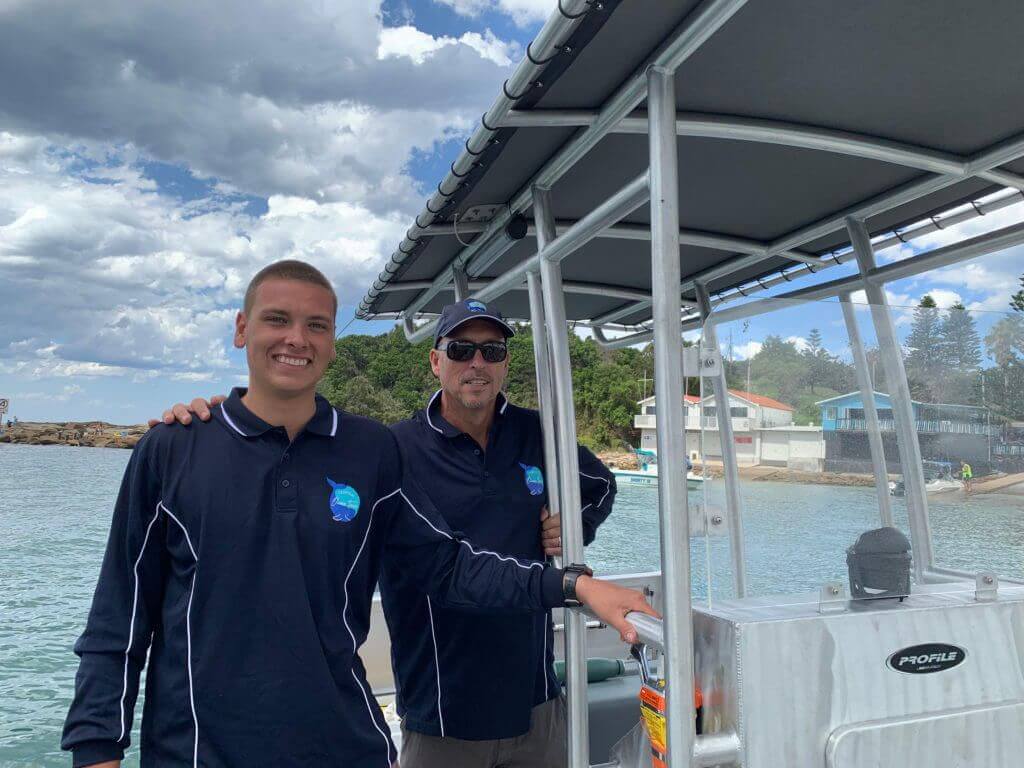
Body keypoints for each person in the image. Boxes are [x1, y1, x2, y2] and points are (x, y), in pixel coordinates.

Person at [63, 260, 655, 768]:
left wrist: (574, 582)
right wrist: (97, 746)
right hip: (200, 749)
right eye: (277, 319)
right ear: (241, 329)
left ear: (331, 343)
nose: (296, 338)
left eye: (315, 325)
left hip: (349, 745)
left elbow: (446, 565)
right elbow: (120, 615)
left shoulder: (368, 451)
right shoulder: (173, 449)